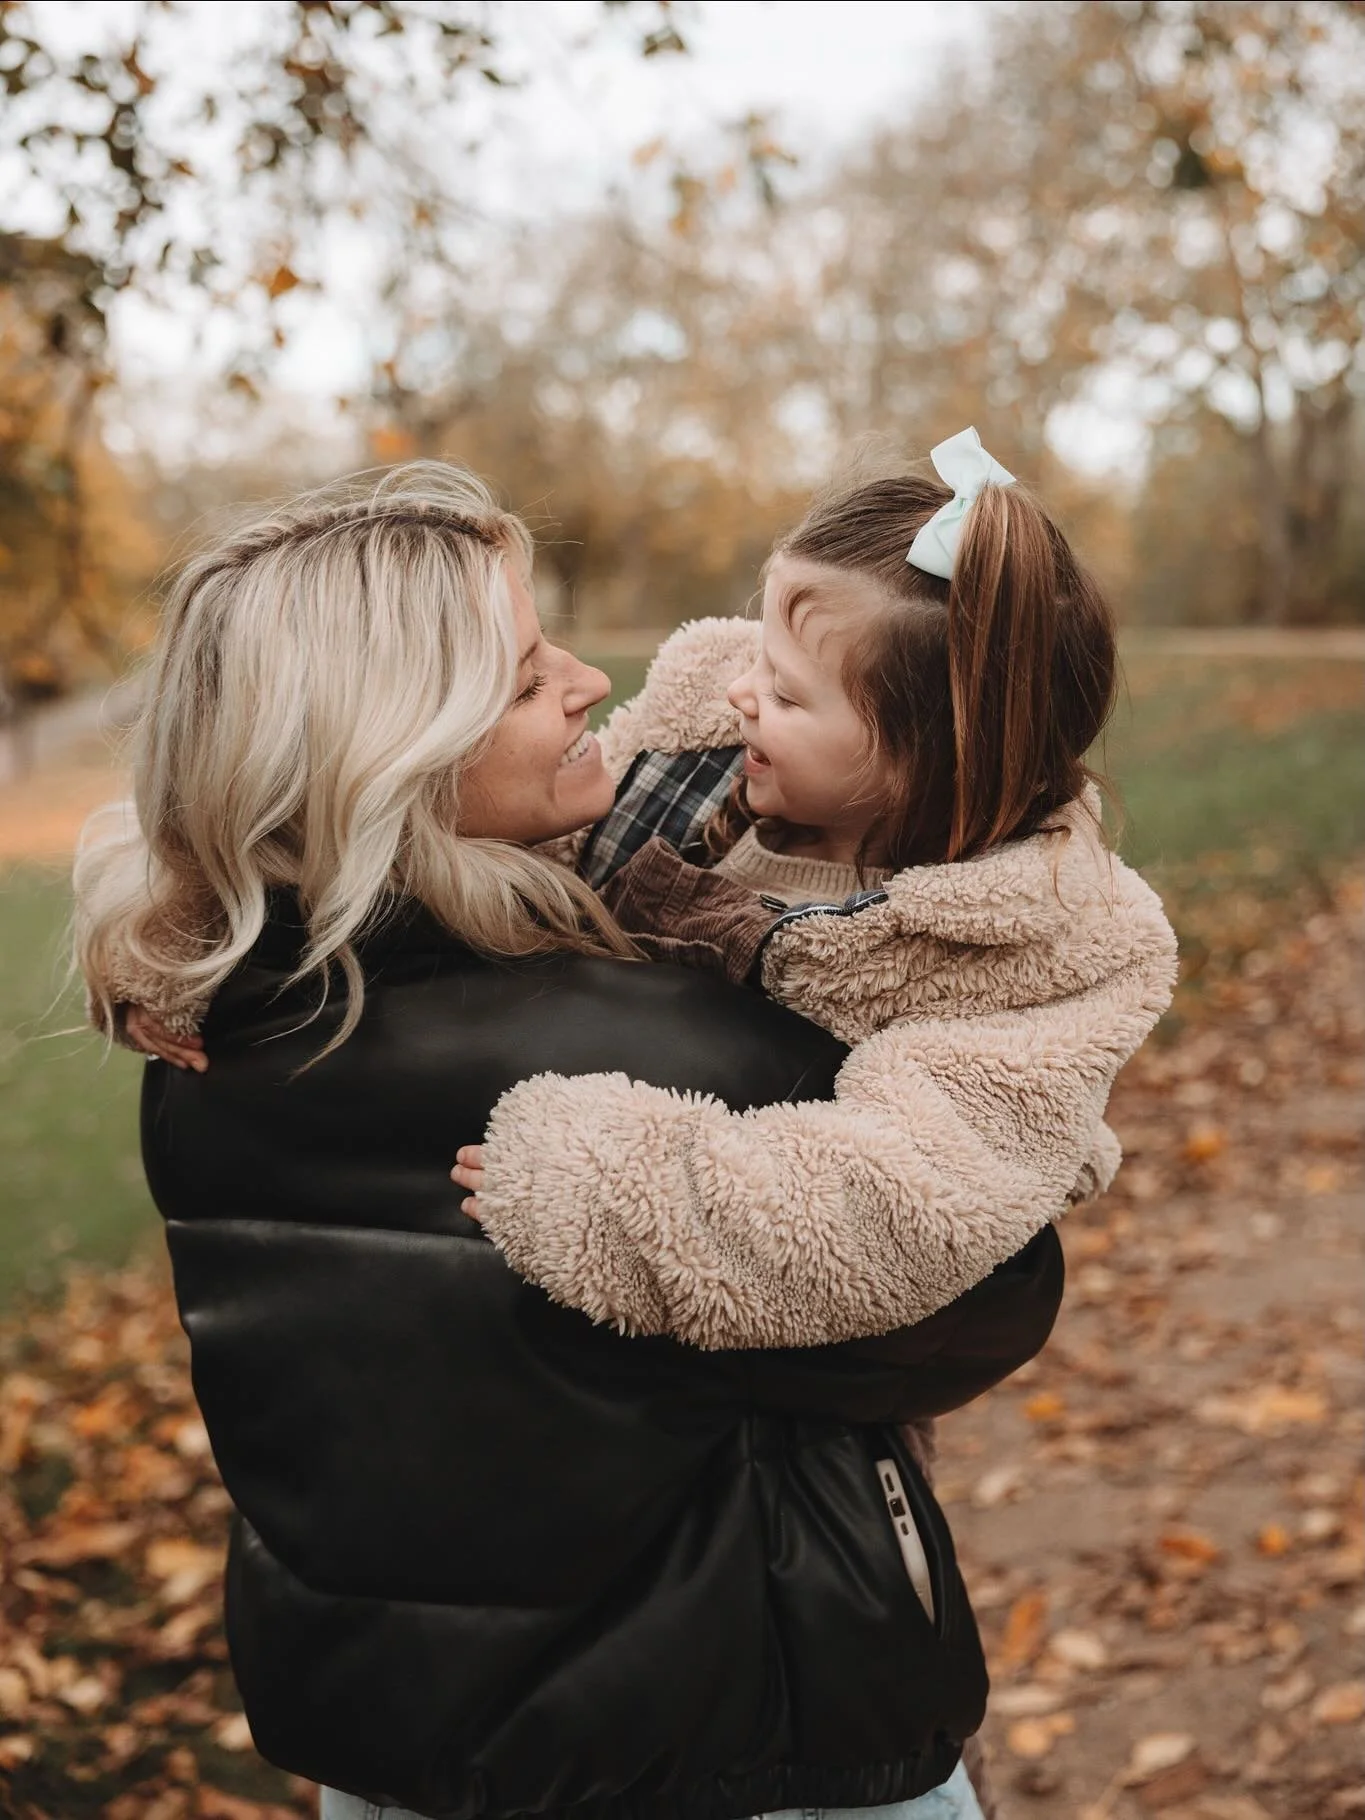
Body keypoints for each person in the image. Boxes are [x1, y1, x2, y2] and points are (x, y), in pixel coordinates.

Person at [74, 464, 1065, 1820]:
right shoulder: (677, 1050)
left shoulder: (205, 1045)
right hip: (751, 1749)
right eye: (532, 674)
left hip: (404, 1757)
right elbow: (990, 1289)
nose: (593, 679)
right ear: (397, 749)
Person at [444, 431, 1176, 1354]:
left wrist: (598, 1185)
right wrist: (233, 953)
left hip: (778, 1431)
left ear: (927, 764)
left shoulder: (1025, 955)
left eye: (788, 696)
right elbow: (462, 854)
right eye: (757, 652)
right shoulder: (686, 757)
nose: (742, 692)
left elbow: (892, 1209)